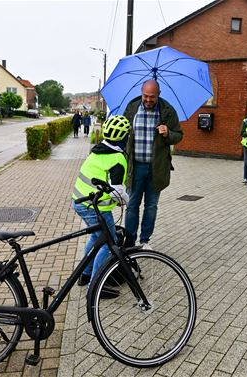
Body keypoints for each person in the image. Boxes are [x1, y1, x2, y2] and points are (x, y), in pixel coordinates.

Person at [72, 115, 131, 299]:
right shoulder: (117, 159)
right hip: (95, 207)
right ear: (124, 138)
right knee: (109, 241)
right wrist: (127, 200)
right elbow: (117, 192)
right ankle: (95, 286)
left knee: (96, 238)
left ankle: (85, 274)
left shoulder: (97, 150)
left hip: (79, 202)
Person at [123, 79, 183, 249]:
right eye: (146, 96)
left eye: (152, 97)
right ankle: (129, 242)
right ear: (142, 93)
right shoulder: (132, 108)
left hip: (157, 168)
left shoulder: (167, 110)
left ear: (158, 95)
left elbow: (179, 135)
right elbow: (123, 134)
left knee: (151, 206)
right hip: (135, 167)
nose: (148, 100)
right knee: (132, 205)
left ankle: (144, 241)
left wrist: (168, 133)